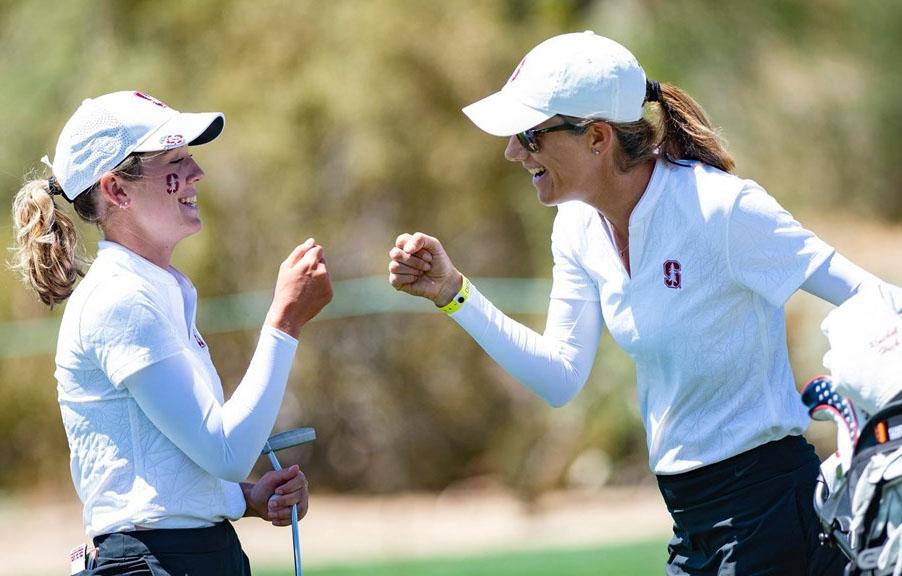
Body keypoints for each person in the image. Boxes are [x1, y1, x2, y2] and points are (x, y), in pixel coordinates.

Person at [388, 31, 901, 575]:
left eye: (530, 134)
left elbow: (875, 298)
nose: (514, 151)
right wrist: (453, 294)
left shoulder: (720, 208)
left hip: (772, 511)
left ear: (597, 137)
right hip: (691, 518)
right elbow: (560, 377)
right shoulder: (576, 226)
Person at [10, 91, 332, 575]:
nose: (197, 172)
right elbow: (227, 452)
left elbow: (168, 464)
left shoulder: (151, 289)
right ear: (117, 190)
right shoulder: (119, 299)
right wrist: (285, 321)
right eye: (175, 161)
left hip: (184, 556)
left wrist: (243, 498)